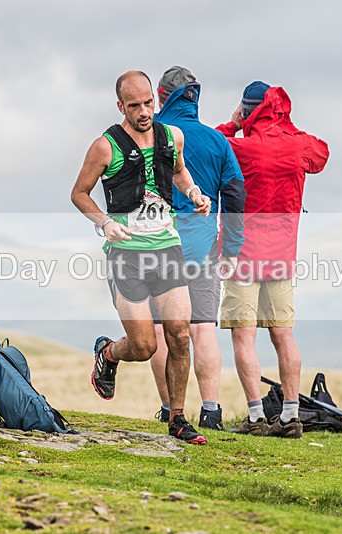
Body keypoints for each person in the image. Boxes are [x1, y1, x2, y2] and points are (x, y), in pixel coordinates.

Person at [70, 70, 212, 445]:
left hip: (166, 248)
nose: (144, 111)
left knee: (180, 334)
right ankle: (109, 353)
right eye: (135, 106)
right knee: (146, 346)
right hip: (125, 255)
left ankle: (179, 420)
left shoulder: (172, 136)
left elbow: (178, 171)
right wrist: (104, 223)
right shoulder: (105, 146)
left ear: (156, 100)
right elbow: (80, 193)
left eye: (149, 103)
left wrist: (195, 193)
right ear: (121, 106)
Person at [216, 82, 329, 439]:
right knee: (283, 334)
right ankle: (291, 415)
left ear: (248, 110)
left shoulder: (243, 147)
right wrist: (287, 127)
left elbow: (211, 146)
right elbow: (322, 154)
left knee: (244, 336)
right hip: (282, 255)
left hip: (242, 254)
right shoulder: (297, 144)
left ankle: (254, 418)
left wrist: (233, 124)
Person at [148, 66, 245, 430]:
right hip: (203, 245)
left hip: (157, 243)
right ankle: (211, 410)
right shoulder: (217, 142)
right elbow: (235, 197)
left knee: (160, 329)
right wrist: (231, 249)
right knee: (202, 327)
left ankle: (167, 408)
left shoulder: (150, 136)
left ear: (160, 95)